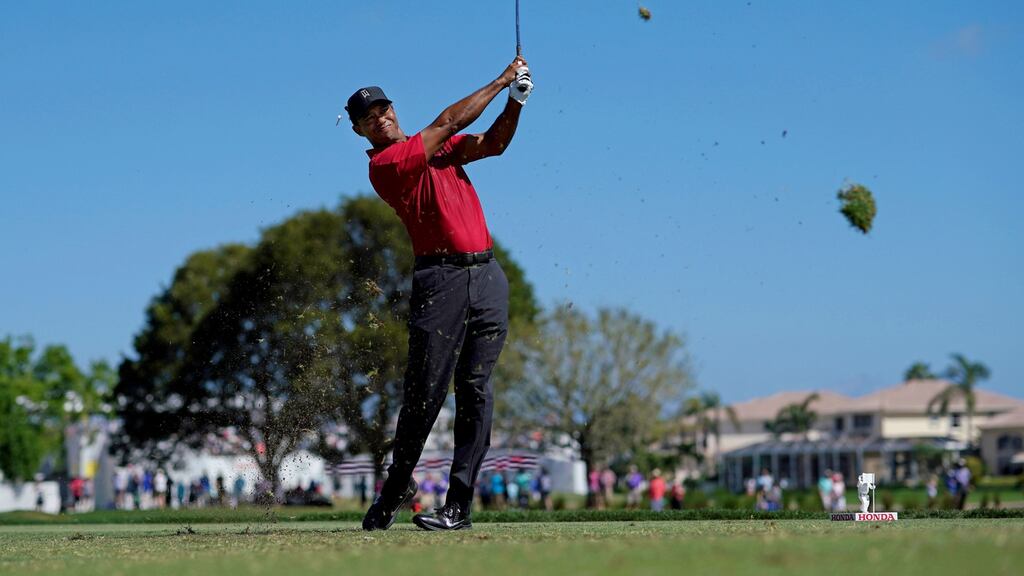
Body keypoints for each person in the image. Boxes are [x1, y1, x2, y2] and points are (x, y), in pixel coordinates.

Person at [353, 54, 534, 532]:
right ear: (360, 132)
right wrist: (501, 79)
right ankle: (396, 487)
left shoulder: (438, 149)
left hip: (488, 275)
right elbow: (451, 119)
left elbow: (494, 143)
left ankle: (459, 506)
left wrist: (515, 102)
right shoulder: (388, 164)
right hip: (440, 280)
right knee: (424, 395)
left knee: (476, 390)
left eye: (385, 109)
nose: (382, 117)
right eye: (370, 117)